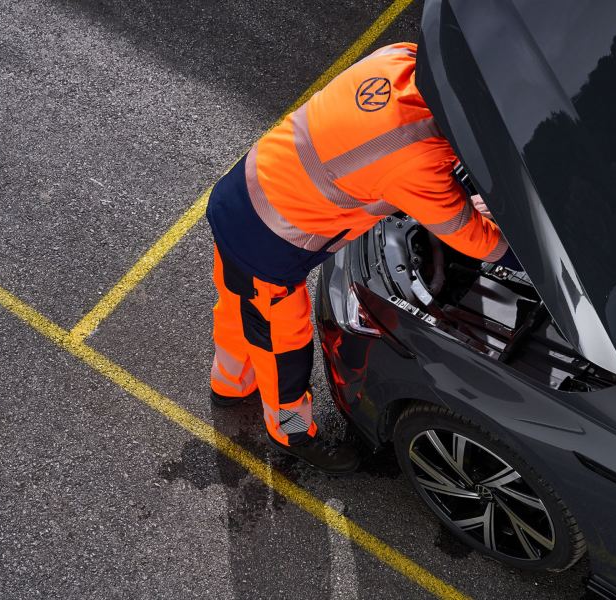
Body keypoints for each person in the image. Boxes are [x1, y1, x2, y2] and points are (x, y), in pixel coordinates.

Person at [205, 42, 511, 474]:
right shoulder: (416, 159)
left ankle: (229, 384)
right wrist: (518, 255)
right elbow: (476, 240)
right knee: (282, 351)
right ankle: (290, 431)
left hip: (241, 194)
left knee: (240, 310)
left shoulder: (399, 59)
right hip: (268, 246)